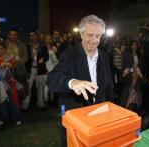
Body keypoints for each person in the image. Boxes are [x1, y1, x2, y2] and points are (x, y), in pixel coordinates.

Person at [46, 15, 114, 147]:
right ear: (81, 34)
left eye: (98, 36)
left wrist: (112, 109)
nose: (94, 40)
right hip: (75, 116)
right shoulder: (69, 54)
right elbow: (52, 78)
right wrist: (72, 82)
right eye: (90, 35)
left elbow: (108, 84)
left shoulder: (104, 56)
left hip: (99, 116)